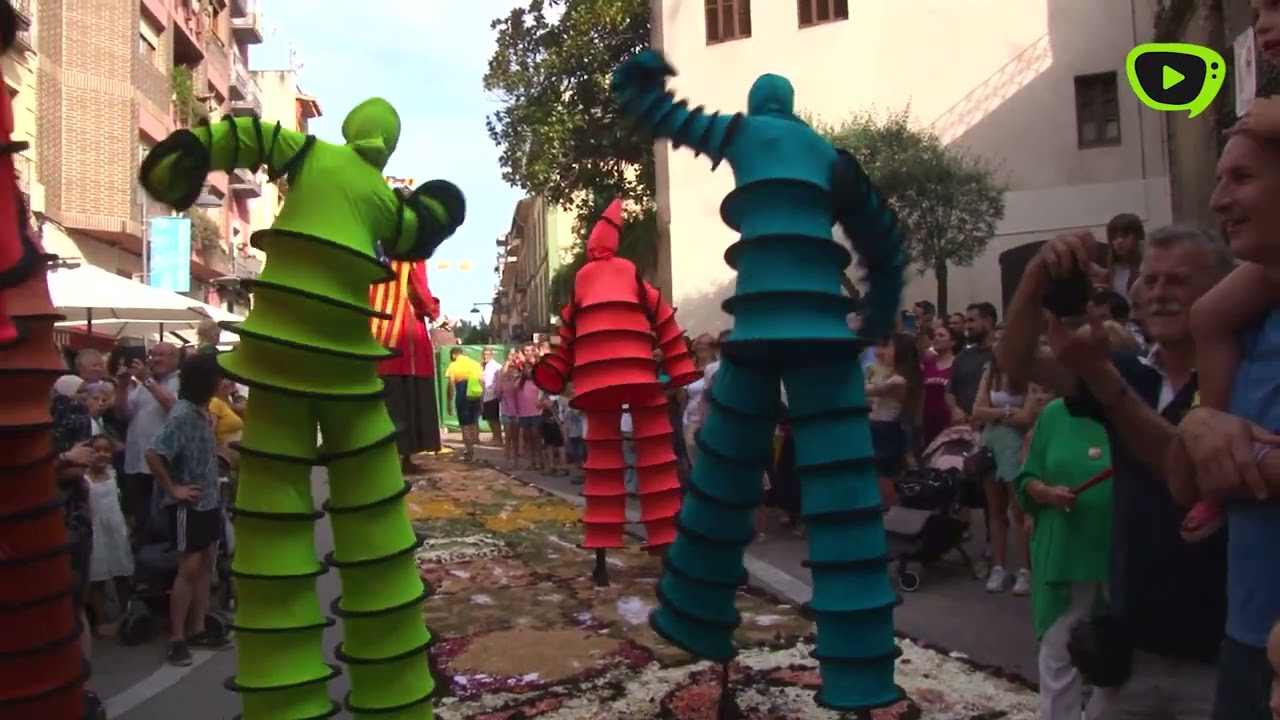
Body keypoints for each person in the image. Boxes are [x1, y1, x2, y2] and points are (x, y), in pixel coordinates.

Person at [996, 224, 1233, 719]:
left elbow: (1185, 470)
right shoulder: (1132, 373)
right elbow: (1015, 358)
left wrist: (1102, 377)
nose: (1161, 293)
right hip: (1132, 653)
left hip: (1221, 657)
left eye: (1179, 281)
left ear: (1222, 290)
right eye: (1153, 280)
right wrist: (1038, 273)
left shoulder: (1244, 379)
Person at [1167, 120, 1280, 720]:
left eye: (1241, 178)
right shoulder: (1240, 323)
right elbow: (1188, 483)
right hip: (1247, 638)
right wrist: (1199, 427)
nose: (1218, 200)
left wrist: (1249, 460)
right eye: (1217, 180)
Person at [1014, 388, 1112, 720]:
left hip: (1119, 552)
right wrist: (1045, 492)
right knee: (1059, 648)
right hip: (1063, 549)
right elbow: (1026, 478)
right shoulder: (1055, 414)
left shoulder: (1129, 412)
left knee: (1116, 656)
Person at [145, 353, 230, 666]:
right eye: (217, 377)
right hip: (188, 505)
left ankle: (198, 626)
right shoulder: (182, 415)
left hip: (208, 501)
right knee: (189, 568)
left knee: (206, 564)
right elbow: (154, 453)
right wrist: (173, 488)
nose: (222, 381)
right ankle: (177, 637)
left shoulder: (199, 412)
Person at [970, 355, 1036, 595]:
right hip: (991, 446)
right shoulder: (991, 372)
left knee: (1019, 510)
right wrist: (1009, 412)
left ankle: (1025, 570)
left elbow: (1029, 416)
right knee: (996, 511)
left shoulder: (1030, 371)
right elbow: (976, 410)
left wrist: (994, 413)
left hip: (1017, 446)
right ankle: (999, 567)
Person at [371, 258, 443, 472]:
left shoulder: (370, 247)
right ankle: (405, 457)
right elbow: (418, 290)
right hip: (404, 329)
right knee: (409, 397)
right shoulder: (411, 256)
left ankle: (380, 456)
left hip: (374, 330)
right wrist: (434, 309)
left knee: (382, 398)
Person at [114, 342, 180, 541]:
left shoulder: (180, 381)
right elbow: (121, 414)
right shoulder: (143, 385)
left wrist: (147, 380)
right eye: (154, 354)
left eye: (164, 355)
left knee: (163, 525)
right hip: (136, 464)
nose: (157, 359)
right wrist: (123, 385)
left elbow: (175, 408)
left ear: (176, 358)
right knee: (142, 523)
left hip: (163, 465)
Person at [84, 434, 133, 637]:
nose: (102, 454)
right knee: (98, 578)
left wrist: (128, 524)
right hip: (96, 531)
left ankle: (126, 613)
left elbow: (121, 501)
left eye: (106, 450)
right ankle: (102, 620)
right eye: (97, 450)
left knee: (122, 573)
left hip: (116, 528)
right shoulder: (84, 479)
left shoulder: (114, 474)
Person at [865, 334, 921, 504]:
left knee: (885, 483)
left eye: (886, 348)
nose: (879, 352)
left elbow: (867, 391)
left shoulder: (898, 380)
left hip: (885, 430)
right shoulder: (889, 375)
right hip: (879, 428)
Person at [945, 302, 998, 424]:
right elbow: (950, 391)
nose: (967, 326)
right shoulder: (963, 356)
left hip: (992, 428)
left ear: (988, 321)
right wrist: (955, 410)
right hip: (965, 427)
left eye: (971, 321)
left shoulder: (1003, 355)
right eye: (966, 321)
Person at [921, 325, 963, 448]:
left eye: (941, 335)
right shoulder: (927, 363)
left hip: (950, 423)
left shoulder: (959, 364)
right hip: (926, 423)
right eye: (934, 336)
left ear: (953, 342)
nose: (936, 339)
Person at [443, 347, 484, 461]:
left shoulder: (453, 365)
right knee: (474, 422)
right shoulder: (475, 364)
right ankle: (478, 450)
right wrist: (482, 399)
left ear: (453, 355)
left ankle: (470, 451)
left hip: (462, 395)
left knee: (465, 425)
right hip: (475, 393)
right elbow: (482, 381)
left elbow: (451, 384)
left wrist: (449, 402)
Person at [1100, 212, 1144, 298]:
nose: (1119, 241)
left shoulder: (1145, 266)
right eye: (1114, 238)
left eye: (1125, 235)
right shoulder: (1113, 268)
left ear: (1137, 236)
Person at [480, 346, 503, 445]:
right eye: (484, 354)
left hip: (493, 396)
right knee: (489, 418)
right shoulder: (482, 366)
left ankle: (498, 439)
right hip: (485, 395)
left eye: (488, 354)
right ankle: (495, 437)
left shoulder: (496, 366)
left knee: (494, 419)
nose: (486, 356)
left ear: (492, 355)